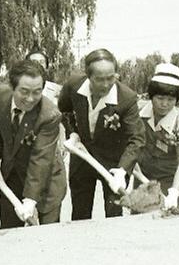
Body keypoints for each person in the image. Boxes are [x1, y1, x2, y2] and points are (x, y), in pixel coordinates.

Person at [57, 48, 145, 220]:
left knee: (114, 213)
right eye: (99, 79)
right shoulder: (73, 85)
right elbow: (64, 110)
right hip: (82, 158)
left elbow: (137, 138)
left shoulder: (126, 98)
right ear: (88, 76)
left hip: (113, 163)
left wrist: (122, 171)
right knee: (80, 215)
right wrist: (73, 133)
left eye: (110, 78)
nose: (106, 85)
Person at [0, 59, 67, 226]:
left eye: (37, 92)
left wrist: (30, 200)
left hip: (45, 184)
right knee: (9, 233)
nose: (30, 99)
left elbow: (41, 160)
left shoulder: (49, 114)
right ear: (12, 87)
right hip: (12, 177)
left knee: (44, 239)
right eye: (24, 91)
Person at [135, 63, 179, 210]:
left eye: (170, 100)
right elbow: (132, 150)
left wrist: (174, 192)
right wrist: (142, 179)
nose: (164, 104)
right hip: (143, 178)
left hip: (172, 180)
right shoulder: (138, 116)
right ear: (151, 96)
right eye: (160, 98)